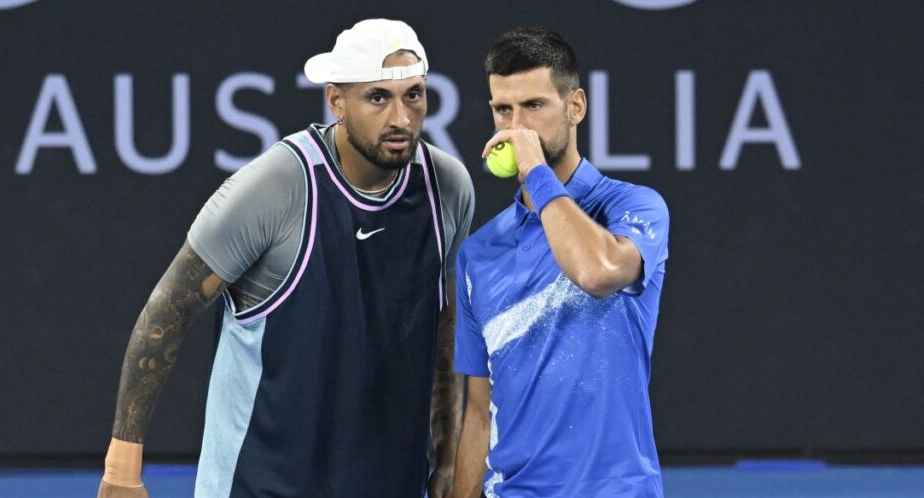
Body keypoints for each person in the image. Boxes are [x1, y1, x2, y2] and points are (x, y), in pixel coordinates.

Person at [97, 18, 474, 498]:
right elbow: (167, 312)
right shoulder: (274, 188)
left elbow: (443, 332)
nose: (401, 118)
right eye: (378, 97)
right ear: (336, 101)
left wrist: (446, 462)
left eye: (414, 96)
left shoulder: (448, 187)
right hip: (259, 485)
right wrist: (122, 471)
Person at [451, 27, 669, 498]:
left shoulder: (632, 208)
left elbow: (598, 272)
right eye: (502, 110)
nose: (517, 127)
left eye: (534, 106)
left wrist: (536, 172)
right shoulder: (477, 253)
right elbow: (476, 410)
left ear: (576, 107)